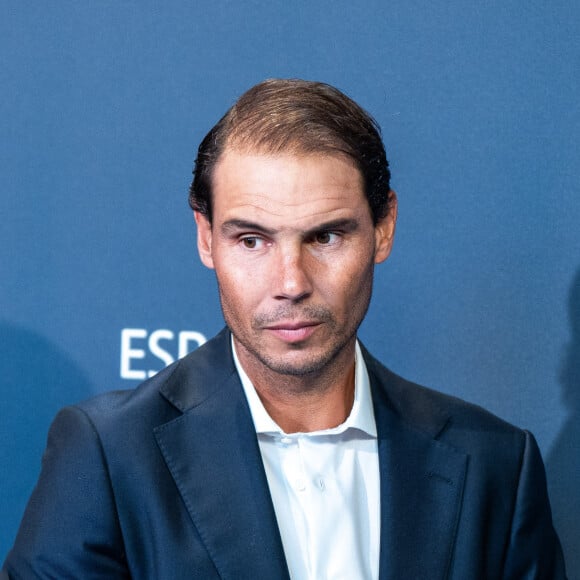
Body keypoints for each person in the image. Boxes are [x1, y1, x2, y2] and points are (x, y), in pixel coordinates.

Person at [2, 79, 566, 579]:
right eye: (252, 240)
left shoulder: (496, 465)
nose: (290, 282)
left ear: (384, 227)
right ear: (206, 238)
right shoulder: (107, 457)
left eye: (325, 238)